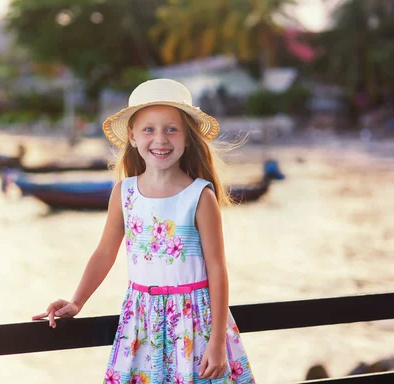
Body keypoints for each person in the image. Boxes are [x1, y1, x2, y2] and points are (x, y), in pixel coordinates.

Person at [32, 79, 255, 383]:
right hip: (141, 321)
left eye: (171, 129)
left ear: (188, 138)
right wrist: (76, 301)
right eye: (149, 129)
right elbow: (105, 252)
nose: (160, 139)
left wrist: (216, 343)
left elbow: (217, 268)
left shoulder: (200, 196)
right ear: (133, 137)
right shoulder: (124, 193)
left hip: (194, 323)